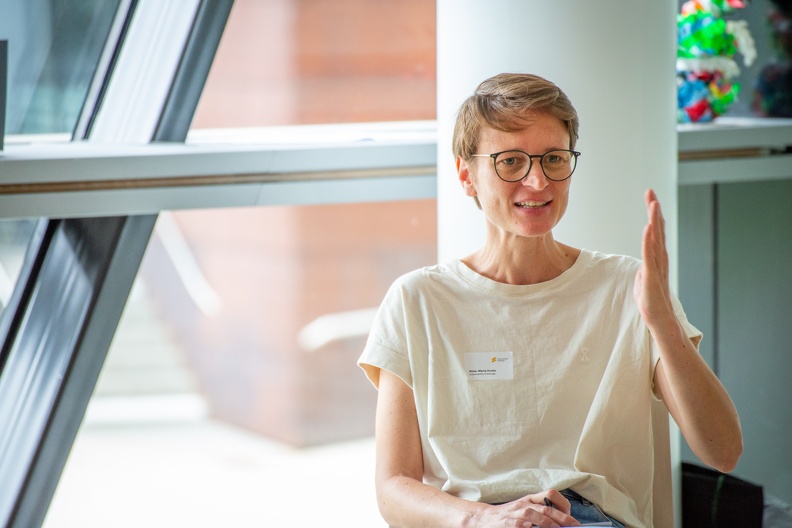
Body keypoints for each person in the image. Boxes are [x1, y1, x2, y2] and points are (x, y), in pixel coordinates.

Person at [357, 73, 742, 528]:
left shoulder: (628, 287)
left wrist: (663, 325)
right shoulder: (417, 300)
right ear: (467, 175)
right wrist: (486, 519)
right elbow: (393, 487)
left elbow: (723, 451)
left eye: (554, 159)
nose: (538, 181)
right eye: (511, 162)